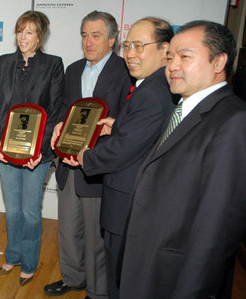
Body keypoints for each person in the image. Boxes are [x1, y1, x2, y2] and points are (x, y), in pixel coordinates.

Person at [120, 20, 246, 299]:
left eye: (185, 57)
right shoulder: (185, 109)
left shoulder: (233, 121)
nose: (172, 66)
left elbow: (216, 230)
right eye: (171, 57)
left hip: (175, 278)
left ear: (219, 61)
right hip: (148, 265)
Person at [74, 17, 175, 299]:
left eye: (140, 46)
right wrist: (117, 124)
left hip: (128, 204)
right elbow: (140, 132)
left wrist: (86, 155)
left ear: (165, 49)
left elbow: (123, 150)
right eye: (128, 45)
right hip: (131, 200)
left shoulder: (154, 93)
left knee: (121, 280)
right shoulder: (153, 86)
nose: (130, 53)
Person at [45, 11, 131, 298]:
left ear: (112, 39)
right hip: (68, 163)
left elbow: (127, 122)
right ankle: (73, 277)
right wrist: (58, 124)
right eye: (84, 35)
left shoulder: (126, 71)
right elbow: (64, 109)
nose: (88, 42)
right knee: (68, 229)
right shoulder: (73, 69)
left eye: (95, 35)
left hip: (99, 166)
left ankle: (97, 291)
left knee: (96, 236)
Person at [0, 10, 63, 286]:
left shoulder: (54, 64)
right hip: (6, 149)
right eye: (20, 30)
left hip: (38, 152)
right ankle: (13, 254)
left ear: (40, 36)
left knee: (30, 210)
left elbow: (55, 112)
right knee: (12, 210)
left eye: (29, 31)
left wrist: (41, 152)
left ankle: (29, 262)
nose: (23, 36)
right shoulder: (4, 62)